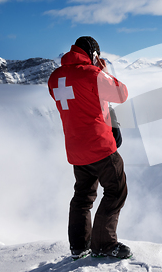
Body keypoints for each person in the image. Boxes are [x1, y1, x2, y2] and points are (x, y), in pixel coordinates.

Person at [48, 36, 132, 260]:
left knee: (83, 196)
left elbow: (78, 100)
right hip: (101, 146)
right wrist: (102, 71)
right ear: (94, 54)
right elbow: (121, 94)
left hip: (76, 149)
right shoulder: (93, 75)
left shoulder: (55, 78)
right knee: (116, 191)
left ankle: (79, 245)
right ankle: (104, 244)